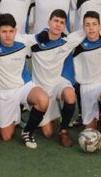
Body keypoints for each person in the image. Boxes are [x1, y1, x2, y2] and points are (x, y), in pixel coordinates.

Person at [0, 14, 49, 149]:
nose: (8, 35)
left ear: (16, 31)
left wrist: (48, 31)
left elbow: (45, 34)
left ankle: (27, 131)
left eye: (11, 31)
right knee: (7, 136)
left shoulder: (23, 41)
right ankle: (12, 114)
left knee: (43, 100)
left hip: (23, 87)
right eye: (4, 31)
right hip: (4, 93)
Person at [28, 9, 86, 146]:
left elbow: (91, 29)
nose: (58, 25)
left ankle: (64, 131)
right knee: (48, 133)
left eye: (61, 22)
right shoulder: (35, 41)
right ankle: (46, 112)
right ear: (49, 22)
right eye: (55, 21)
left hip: (57, 83)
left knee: (70, 95)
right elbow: (14, 38)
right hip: (41, 89)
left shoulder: (66, 42)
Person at [72, 11, 101, 144]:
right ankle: (97, 119)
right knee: (90, 133)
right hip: (86, 86)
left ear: (100, 26)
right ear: (83, 27)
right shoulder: (77, 43)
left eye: (94, 24)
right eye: (87, 25)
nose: (91, 28)